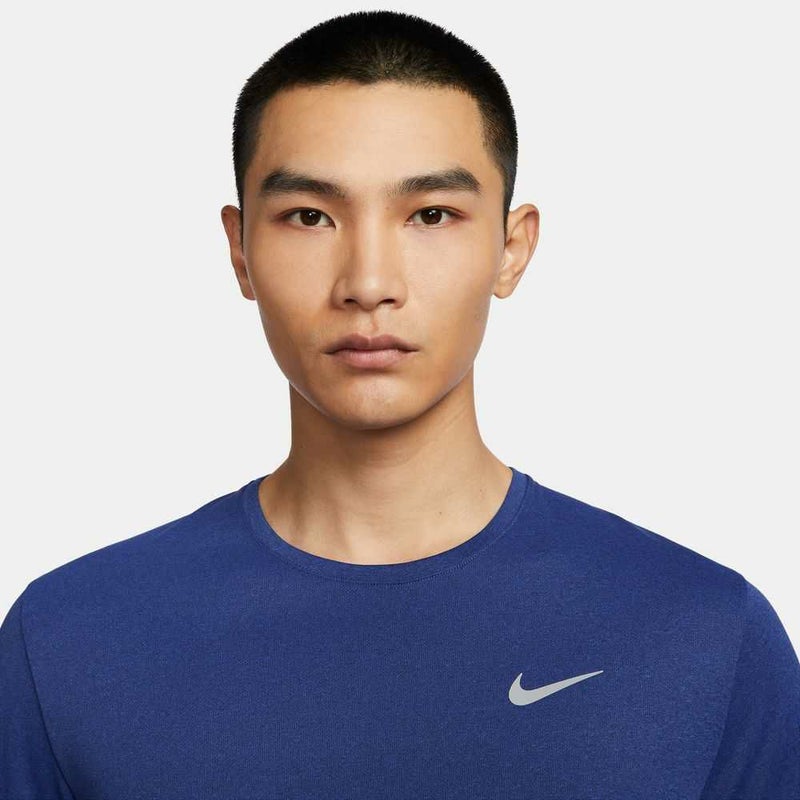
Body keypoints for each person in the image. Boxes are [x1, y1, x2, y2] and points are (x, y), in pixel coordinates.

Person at [1, 9, 798, 798]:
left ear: (511, 248)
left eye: (431, 215)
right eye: (310, 216)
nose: (370, 282)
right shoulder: (70, 641)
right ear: (240, 249)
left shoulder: (706, 637)